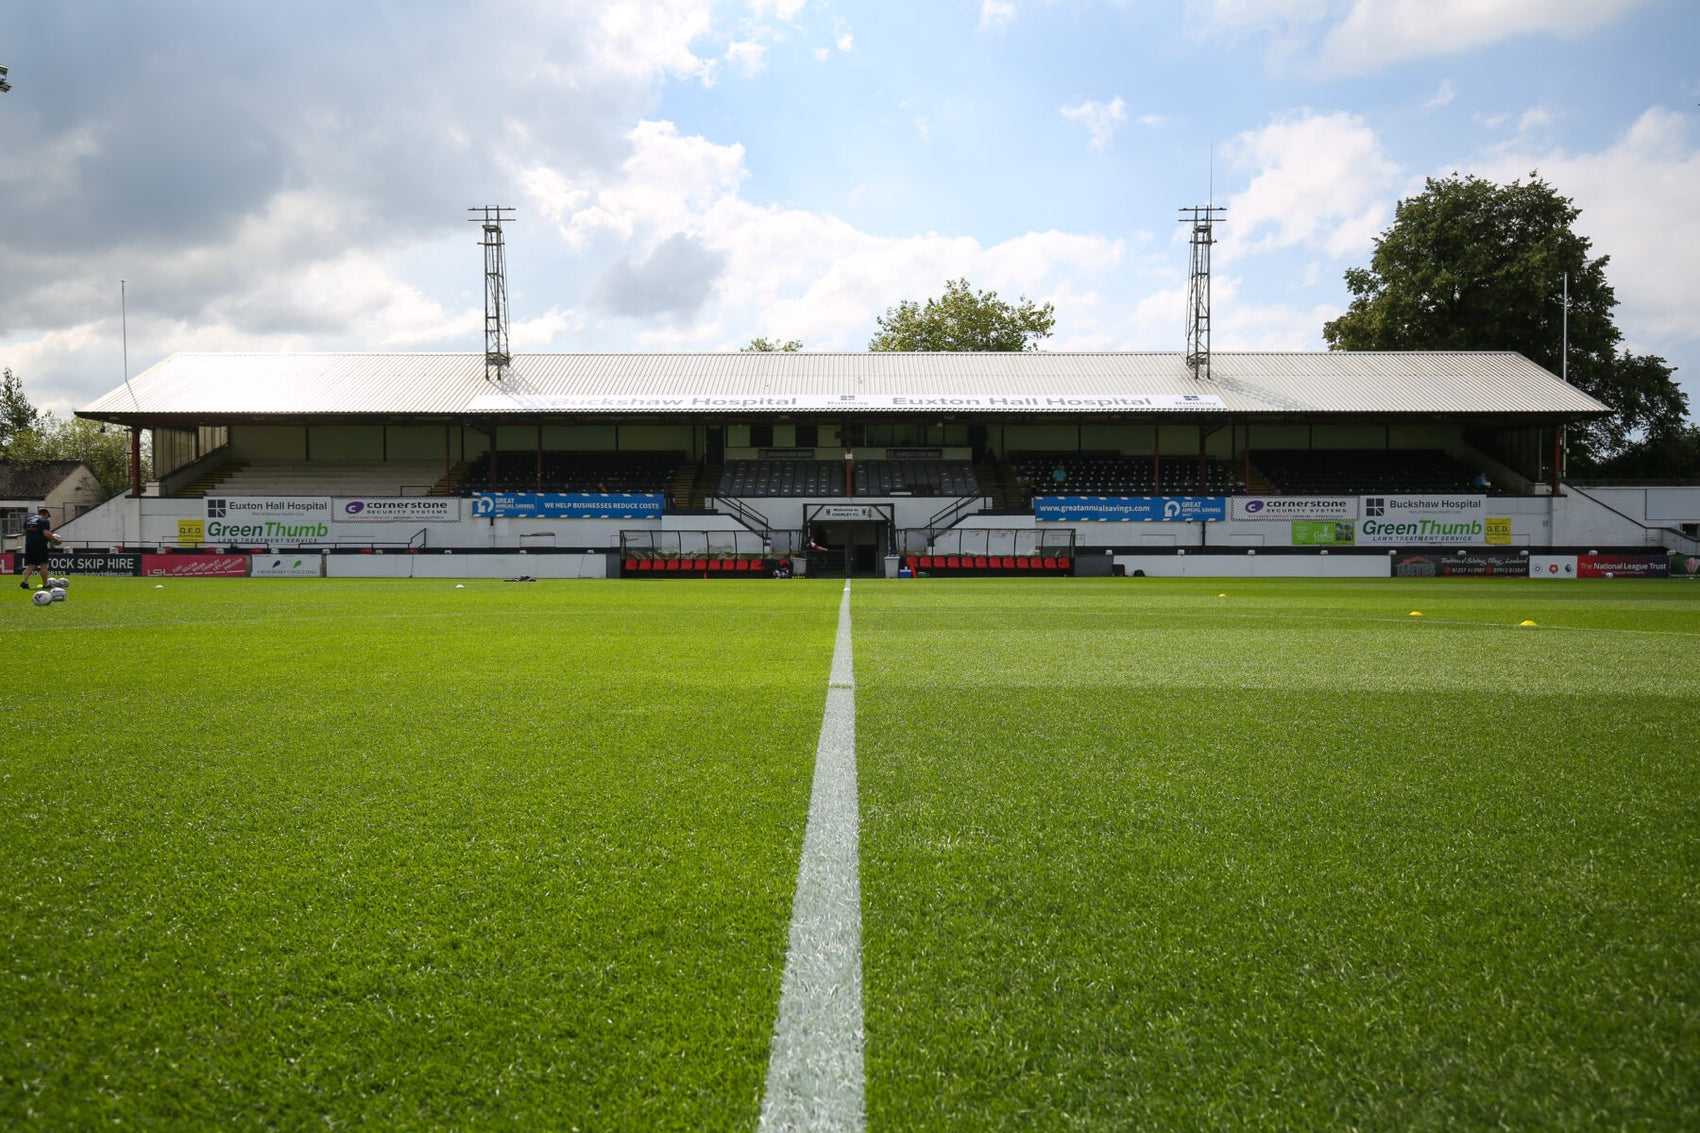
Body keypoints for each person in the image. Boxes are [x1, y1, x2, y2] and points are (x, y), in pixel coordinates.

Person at [20, 507, 62, 591]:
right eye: (47, 516)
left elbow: (23, 532)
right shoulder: (44, 521)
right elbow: (46, 533)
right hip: (40, 545)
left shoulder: (28, 519)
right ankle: (45, 584)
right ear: (45, 514)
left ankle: (24, 582)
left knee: (31, 564)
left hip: (29, 545)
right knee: (43, 564)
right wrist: (56, 540)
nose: (47, 518)